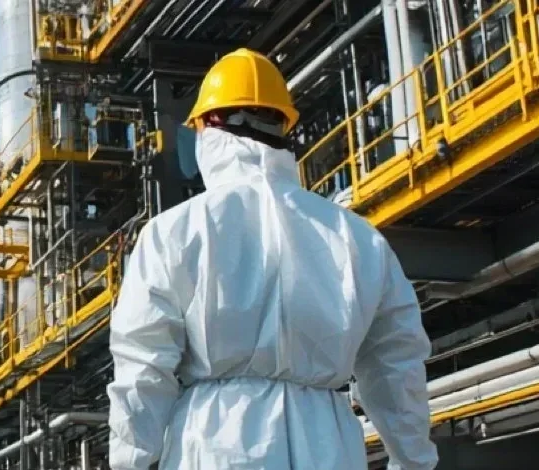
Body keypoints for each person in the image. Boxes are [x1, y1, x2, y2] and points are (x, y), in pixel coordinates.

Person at [105, 48, 438, 470]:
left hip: (214, 447)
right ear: (283, 126)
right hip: (329, 448)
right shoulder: (358, 239)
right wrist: (412, 462)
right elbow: (397, 365)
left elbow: (143, 369)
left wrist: (129, 462)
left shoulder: (175, 232)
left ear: (209, 125)